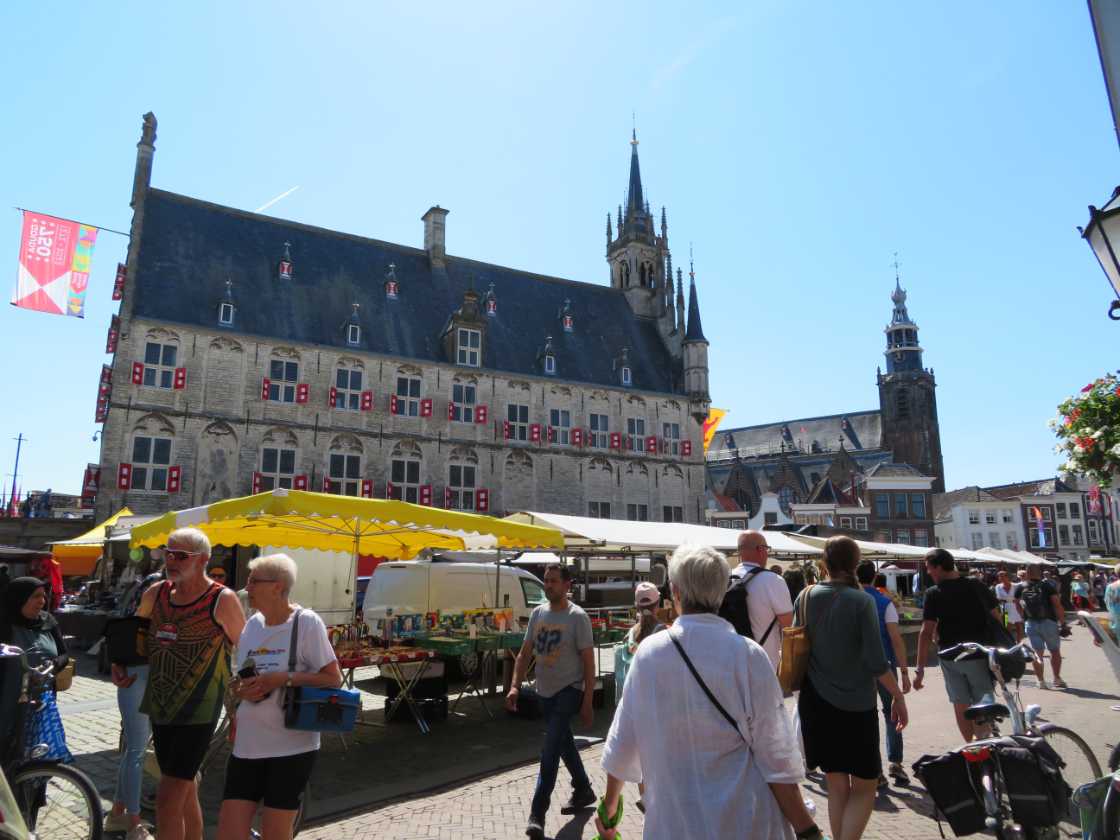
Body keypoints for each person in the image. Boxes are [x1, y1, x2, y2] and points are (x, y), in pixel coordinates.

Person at [595, 544, 820, 840]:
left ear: (675, 591)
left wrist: (610, 809)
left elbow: (624, 740)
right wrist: (807, 829)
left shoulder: (649, 654)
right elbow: (775, 756)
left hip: (674, 824)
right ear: (722, 592)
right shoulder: (748, 656)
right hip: (745, 822)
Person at [217, 554, 342, 840]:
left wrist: (282, 678)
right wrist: (240, 689)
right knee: (229, 832)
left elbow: (332, 678)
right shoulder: (252, 626)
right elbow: (239, 680)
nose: (246, 588)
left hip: (291, 747)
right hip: (247, 746)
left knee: (275, 833)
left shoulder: (306, 622)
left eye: (253, 581)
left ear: (277, 586)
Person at [137, 528, 245, 840]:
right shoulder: (155, 593)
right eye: (168, 553)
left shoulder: (221, 599)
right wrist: (122, 663)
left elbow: (246, 650)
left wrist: (239, 706)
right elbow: (136, 634)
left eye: (181, 556)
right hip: (160, 703)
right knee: (184, 784)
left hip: (200, 708)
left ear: (203, 560)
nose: (171, 560)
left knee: (168, 798)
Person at [796, 538, 908, 840]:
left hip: (816, 702)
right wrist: (898, 695)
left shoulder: (805, 596)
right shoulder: (862, 601)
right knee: (865, 785)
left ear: (824, 563)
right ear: (855, 564)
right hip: (856, 705)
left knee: (836, 785)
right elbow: (875, 662)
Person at [506, 564, 597, 840]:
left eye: (554, 581)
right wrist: (514, 687)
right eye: (546, 581)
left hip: (569, 690)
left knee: (550, 750)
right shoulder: (537, 613)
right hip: (544, 691)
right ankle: (583, 788)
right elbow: (523, 654)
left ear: (567, 585)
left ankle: (537, 814)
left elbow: (589, 662)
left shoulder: (577, 617)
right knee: (563, 742)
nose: (548, 586)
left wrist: (588, 700)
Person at [914, 548, 1000, 742]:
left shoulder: (933, 593)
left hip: (949, 656)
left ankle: (970, 749)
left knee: (960, 703)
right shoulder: (976, 585)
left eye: (929, 568)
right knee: (982, 702)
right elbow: (996, 617)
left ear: (938, 567)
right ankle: (984, 746)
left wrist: (919, 669)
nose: (928, 573)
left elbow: (926, 632)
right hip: (977, 654)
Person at [104, 570, 160, 840]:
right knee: (136, 749)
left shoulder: (152, 585)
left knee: (134, 749)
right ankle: (133, 822)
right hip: (137, 674)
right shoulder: (159, 590)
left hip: (139, 674)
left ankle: (117, 813)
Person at [0, 577, 73, 764]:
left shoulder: (47, 621)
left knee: (41, 753)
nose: (42, 601)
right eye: (36, 596)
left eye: (43, 596)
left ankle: (36, 791)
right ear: (19, 599)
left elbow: (64, 654)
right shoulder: (4, 624)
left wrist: (53, 665)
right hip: (8, 700)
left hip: (42, 700)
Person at [856, 560, 911, 788]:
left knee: (867, 717)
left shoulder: (852, 601)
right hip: (886, 665)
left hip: (860, 669)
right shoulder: (885, 602)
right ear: (875, 575)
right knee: (892, 714)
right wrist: (905, 671)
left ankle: (875, 770)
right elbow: (896, 640)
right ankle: (896, 763)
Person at [724, 530, 794, 669]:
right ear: (760, 550)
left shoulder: (724, 579)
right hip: (765, 663)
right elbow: (788, 627)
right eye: (767, 549)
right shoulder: (773, 580)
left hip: (730, 662)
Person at [1014, 564, 1067, 690]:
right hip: (1048, 621)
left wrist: (1023, 616)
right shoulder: (1047, 586)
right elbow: (1057, 604)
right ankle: (1057, 678)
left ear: (1026, 573)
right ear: (1039, 573)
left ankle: (1041, 681)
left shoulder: (1020, 587)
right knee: (1054, 651)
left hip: (1031, 622)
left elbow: (1016, 604)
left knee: (1037, 653)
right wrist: (1063, 623)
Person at [993, 570, 1024, 643]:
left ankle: (1019, 643)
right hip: (1004, 607)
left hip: (1015, 607)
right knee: (1007, 626)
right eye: (999, 576)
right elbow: (999, 598)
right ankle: (1010, 643)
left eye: (1002, 576)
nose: (1001, 578)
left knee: (1019, 626)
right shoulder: (998, 587)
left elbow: (1023, 585)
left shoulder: (1016, 586)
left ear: (1007, 577)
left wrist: (1022, 575)